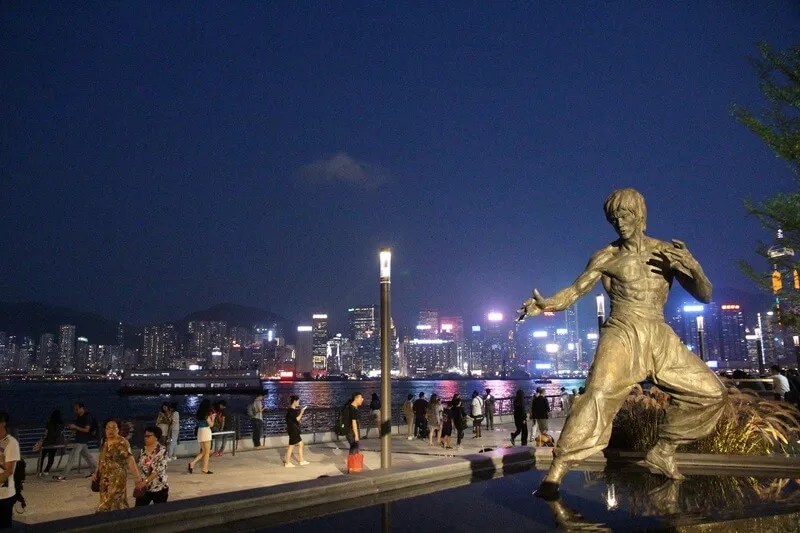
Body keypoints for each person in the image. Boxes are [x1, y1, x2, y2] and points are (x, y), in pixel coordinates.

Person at [517, 188, 727, 499]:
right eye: (614, 218)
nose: (620, 222)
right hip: (622, 330)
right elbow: (575, 291)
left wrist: (694, 267)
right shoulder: (606, 257)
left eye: (625, 215)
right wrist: (546, 304)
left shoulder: (667, 253)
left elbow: (705, 295)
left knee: (712, 393)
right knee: (596, 396)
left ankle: (664, 450)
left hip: (658, 332)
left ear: (640, 215)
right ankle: (554, 475)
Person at [92, 419, 142, 512]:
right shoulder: (105, 441)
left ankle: (102, 516)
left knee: (109, 502)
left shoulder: (122, 442)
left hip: (117, 477)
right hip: (104, 478)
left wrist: (137, 478)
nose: (110, 430)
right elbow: (101, 458)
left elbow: (130, 459)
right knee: (108, 499)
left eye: (113, 428)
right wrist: (96, 472)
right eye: (108, 428)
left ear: (118, 429)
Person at [55, 402, 96, 481]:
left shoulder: (87, 416)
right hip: (80, 440)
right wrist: (68, 439)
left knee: (72, 457)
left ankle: (63, 476)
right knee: (88, 457)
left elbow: (86, 430)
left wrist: (75, 427)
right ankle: (96, 471)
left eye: (76, 409)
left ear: (81, 408)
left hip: (81, 440)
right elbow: (76, 429)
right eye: (74, 409)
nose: (75, 411)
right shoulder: (79, 417)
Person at [134, 426, 169, 506]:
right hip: (145, 488)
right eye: (145, 436)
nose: (145, 438)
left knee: (160, 511)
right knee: (139, 510)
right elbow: (141, 466)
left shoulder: (162, 451)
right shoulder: (143, 450)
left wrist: (145, 481)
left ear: (156, 437)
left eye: (148, 436)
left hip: (159, 487)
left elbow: (158, 470)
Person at [0, 411, 20, 530]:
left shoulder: (11, 443)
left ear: (3, 423)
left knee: (4, 528)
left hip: (4, 496)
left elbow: (8, 471)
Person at [188, 399, 215, 474]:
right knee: (207, 452)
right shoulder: (207, 415)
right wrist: (213, 418)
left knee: (204, 451)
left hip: (200, 431)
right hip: (206, 432)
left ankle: (193, 463)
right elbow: (211, 425)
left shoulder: (199, 414)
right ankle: (204, 468)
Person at [37, 409, 65, 476]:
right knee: (51, 457)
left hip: (47, 443)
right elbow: (61, 434)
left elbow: (46, 433)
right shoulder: (61, 424)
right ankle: (46, 471)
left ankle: (39, 471)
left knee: (42, 457)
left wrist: (42, 440)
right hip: (55, 443)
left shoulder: (49, 423)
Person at [284, 395, 309, 467]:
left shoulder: (291, 410)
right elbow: (297, 419)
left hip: (293, 430)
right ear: (294, 401)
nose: (298, 403)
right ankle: (287, 463)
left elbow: (293, 420)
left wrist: (298, 421)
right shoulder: (291, 410)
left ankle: (301, 460)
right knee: (291, 446)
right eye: (298, 401)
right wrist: (302, 412)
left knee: (300, 444)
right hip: (293, 430)